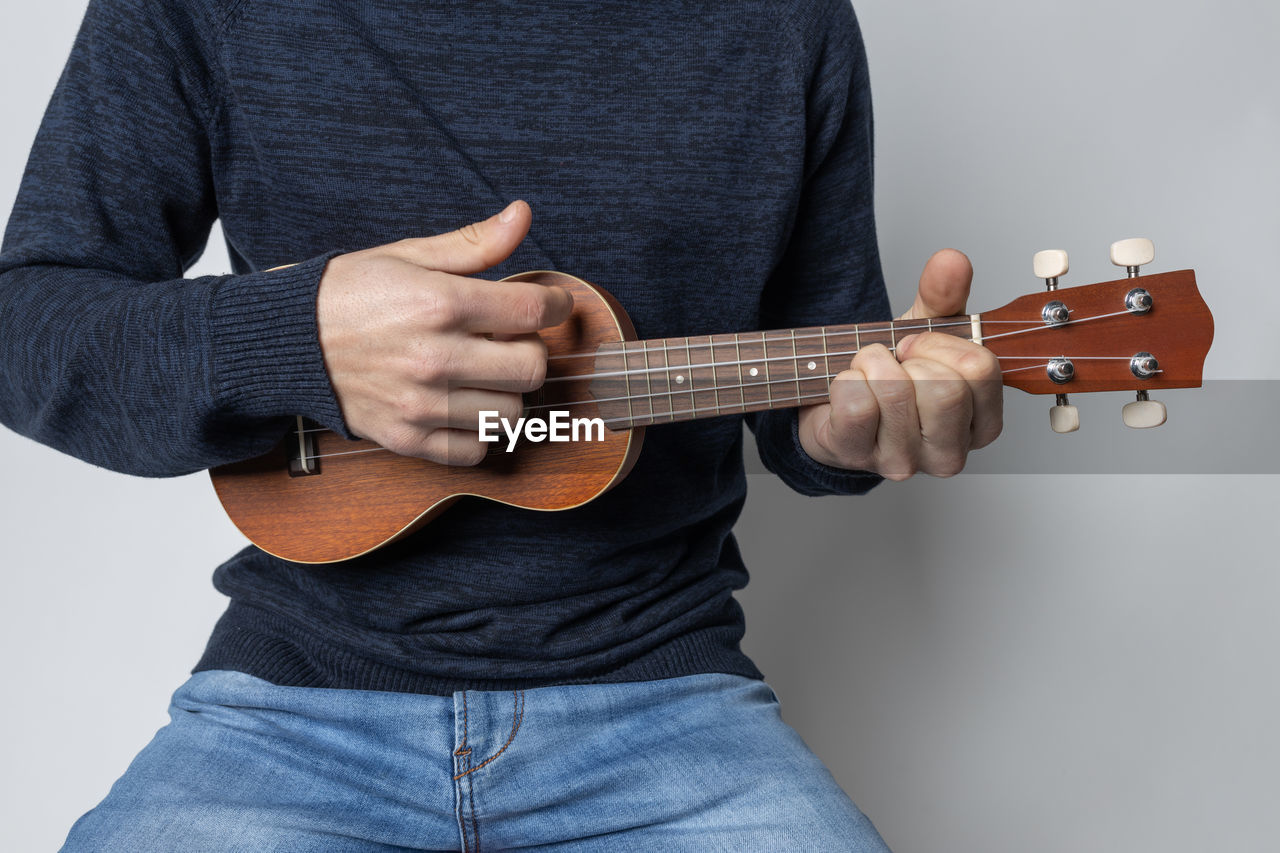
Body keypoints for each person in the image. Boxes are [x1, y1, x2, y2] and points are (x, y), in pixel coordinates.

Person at [0, 0, 1001, 849]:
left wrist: (857, 431)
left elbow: (806, 408)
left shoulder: (786, 21)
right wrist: (288, 337)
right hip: (288, 703)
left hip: (664, 702)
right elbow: (25, 331)